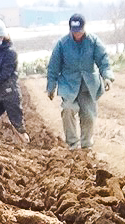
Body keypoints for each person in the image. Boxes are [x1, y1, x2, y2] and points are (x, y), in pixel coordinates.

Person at [46, 13, 114, 149]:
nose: (77, 34)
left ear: (84, 28)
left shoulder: (93, 41)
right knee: (68, 110)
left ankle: (86, 146)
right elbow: (53, 67)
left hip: (88, 85)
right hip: (69, 84)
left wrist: (107, 77)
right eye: (74, 31)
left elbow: (103, 60)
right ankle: (72, 145)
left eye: (79, 31)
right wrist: (51, 87)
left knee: (88, 116)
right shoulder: (62, 44)